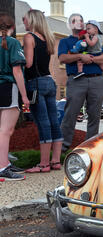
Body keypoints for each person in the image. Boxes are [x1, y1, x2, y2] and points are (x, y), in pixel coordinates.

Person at [58, 13, 103, 153]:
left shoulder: (93, 39)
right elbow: (62, 58)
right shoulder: (65, 42)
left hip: (96, 80)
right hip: (76, 80)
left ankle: (90, 149)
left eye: (81, 20)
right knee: (71, 113)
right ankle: (62, 149)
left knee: (94, 114)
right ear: (69, 25)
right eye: (75, 20)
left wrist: (91, 59)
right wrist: (80, 56)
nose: (79, 23)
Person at [22, 9, 63, 173]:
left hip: (35, 83)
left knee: (42, 122)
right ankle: (55, 161)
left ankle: (43, 164)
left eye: (25, 19)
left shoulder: (29, 37)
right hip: (49, 81)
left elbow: (29, 63)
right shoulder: (48, 38)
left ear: (32, 20)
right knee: (54, 121)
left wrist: (16, 60)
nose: (23, 22)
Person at [0, 12, 30, 181]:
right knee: (6, 130)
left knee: (2, 130)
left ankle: (4, 163)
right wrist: (24, 95)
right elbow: (17, 70)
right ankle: (3, 167)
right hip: (7, 87)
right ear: (11, 27)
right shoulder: (12, 43)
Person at [72, 20, 103, 86]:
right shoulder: (95, 37)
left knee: (80, 61)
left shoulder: (96, 37)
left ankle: (80, 72)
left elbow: (91, 44)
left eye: (89, 29)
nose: (87, 31)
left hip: (93, 53)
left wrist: (86, 38)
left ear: (95, 29)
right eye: (86, 29)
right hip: (98, 53)